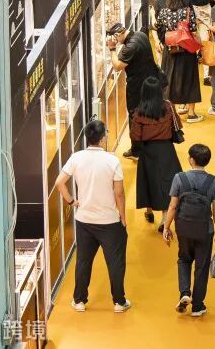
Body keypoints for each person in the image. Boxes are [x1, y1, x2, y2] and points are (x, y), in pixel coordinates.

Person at [56, 119, 131, 313]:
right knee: (115, 263)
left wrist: (71, 201)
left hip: (84, 220)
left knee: (83, 261)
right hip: (110, 221)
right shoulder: (112, 161)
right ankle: (119, 302)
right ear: (103, 138)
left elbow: (59, 182)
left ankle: (79, 300)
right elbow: (119, 193)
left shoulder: (76, 158)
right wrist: (123, 217)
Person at [161, 143, 215, 318]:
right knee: (202, 266)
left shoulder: (179, 178)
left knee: (184, 259)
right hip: (204, 230)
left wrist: (166, 227)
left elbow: (173, 206)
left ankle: (185, 292)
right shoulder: (214, 182)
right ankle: (197, 306)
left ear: (191, 160)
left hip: (184, 228)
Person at [130, 76, 183, 228]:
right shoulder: (168, 106)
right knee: (167, 182)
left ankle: (148, 210)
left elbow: (135, 136)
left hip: (148, 151)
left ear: (144, 92)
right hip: (166, 149)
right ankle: (165, 218)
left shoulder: (139, 112)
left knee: (148, 181)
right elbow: (178, 125)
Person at [105, 22, 160, 159]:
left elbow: (117, 66)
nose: (114, 41)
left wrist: (112, 49)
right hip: (151, 81)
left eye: (114, 38)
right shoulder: (141, 35)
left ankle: (137, 150)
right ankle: (150, 144)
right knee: (149, 113)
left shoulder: (130, 46)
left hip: (137, 86)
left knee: (134, 115)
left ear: (117, 35)